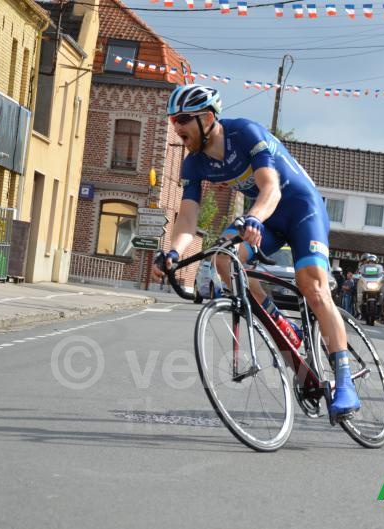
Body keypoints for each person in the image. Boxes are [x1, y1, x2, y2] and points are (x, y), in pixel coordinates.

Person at [153, 84, 359, 418]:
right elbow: (188, 217)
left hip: (300, 209)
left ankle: (345, 383)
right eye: (173, 120)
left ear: (206, 118)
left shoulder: (245, 133)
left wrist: (252, 218)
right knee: (224, 260)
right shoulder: (194, 164)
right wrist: (173, 253)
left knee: (314, 287)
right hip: (265, 218)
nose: (176, 126)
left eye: (182, 119)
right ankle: (282, 327)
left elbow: (271, 188)